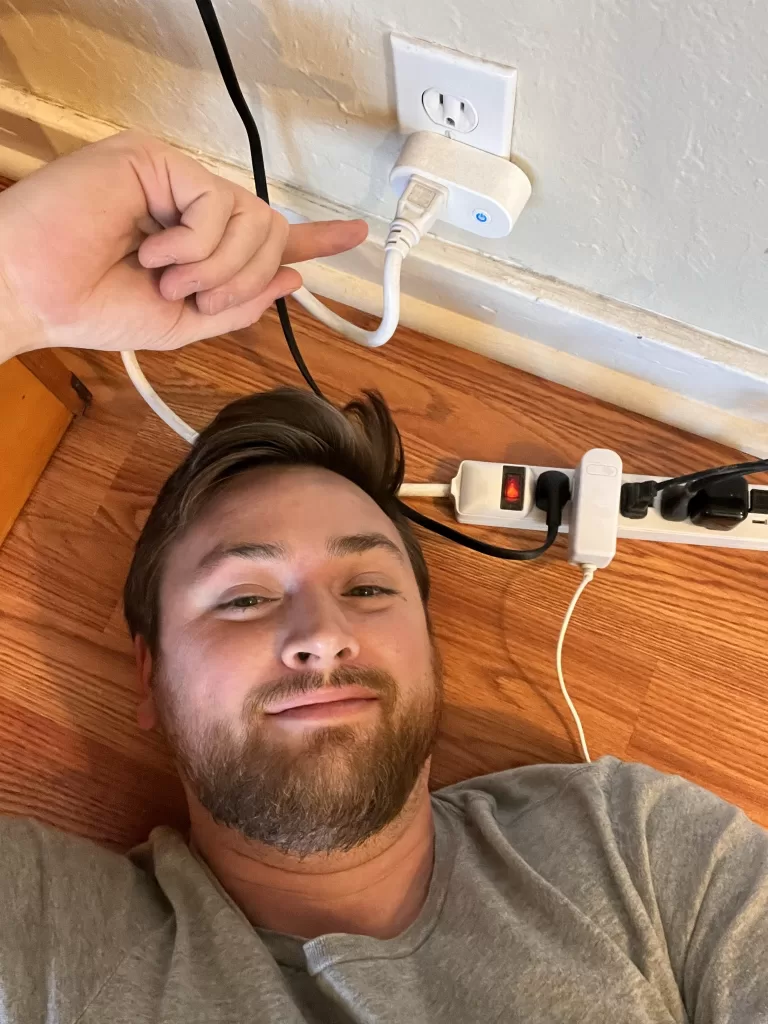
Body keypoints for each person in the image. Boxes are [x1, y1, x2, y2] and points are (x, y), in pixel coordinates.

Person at [0, 132, 766, 1024]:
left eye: (367, 589)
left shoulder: (632, 847)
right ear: (149, 677)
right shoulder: (46, 944)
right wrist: (15, 289)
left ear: (432, 650)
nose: (323, 633)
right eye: (244, 598)